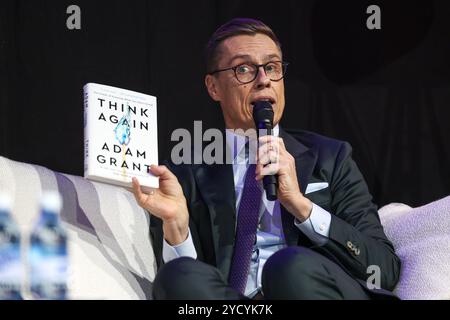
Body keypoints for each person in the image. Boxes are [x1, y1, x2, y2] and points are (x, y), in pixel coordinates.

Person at [131, 18, 401, 300]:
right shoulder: (186, 172)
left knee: (288, 267)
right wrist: (177, 227)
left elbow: (384, 268)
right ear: (213, 87)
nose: (263, 80)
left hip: (309, 291)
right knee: (178, 275)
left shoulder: (331, 157)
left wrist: (302, 206)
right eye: (244, 69)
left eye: (271, 67)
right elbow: (187, 286)